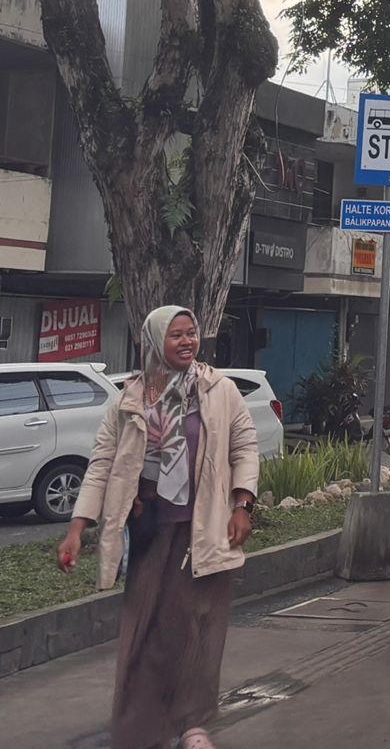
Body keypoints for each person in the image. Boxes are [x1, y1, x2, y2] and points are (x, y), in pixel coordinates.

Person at [57, 306, 259, 749]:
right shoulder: (130, 398)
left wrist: (242, 503)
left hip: (202, 529)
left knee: (196, 628)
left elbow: (245, 446)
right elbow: (101, 465)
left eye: (192, 334)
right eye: (176, 336)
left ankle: (192, 724)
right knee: (146, 629)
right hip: (149, 529)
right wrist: (78, 527)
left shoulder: (218, 390)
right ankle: (145, 726)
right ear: (154, 342)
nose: (187, 342)